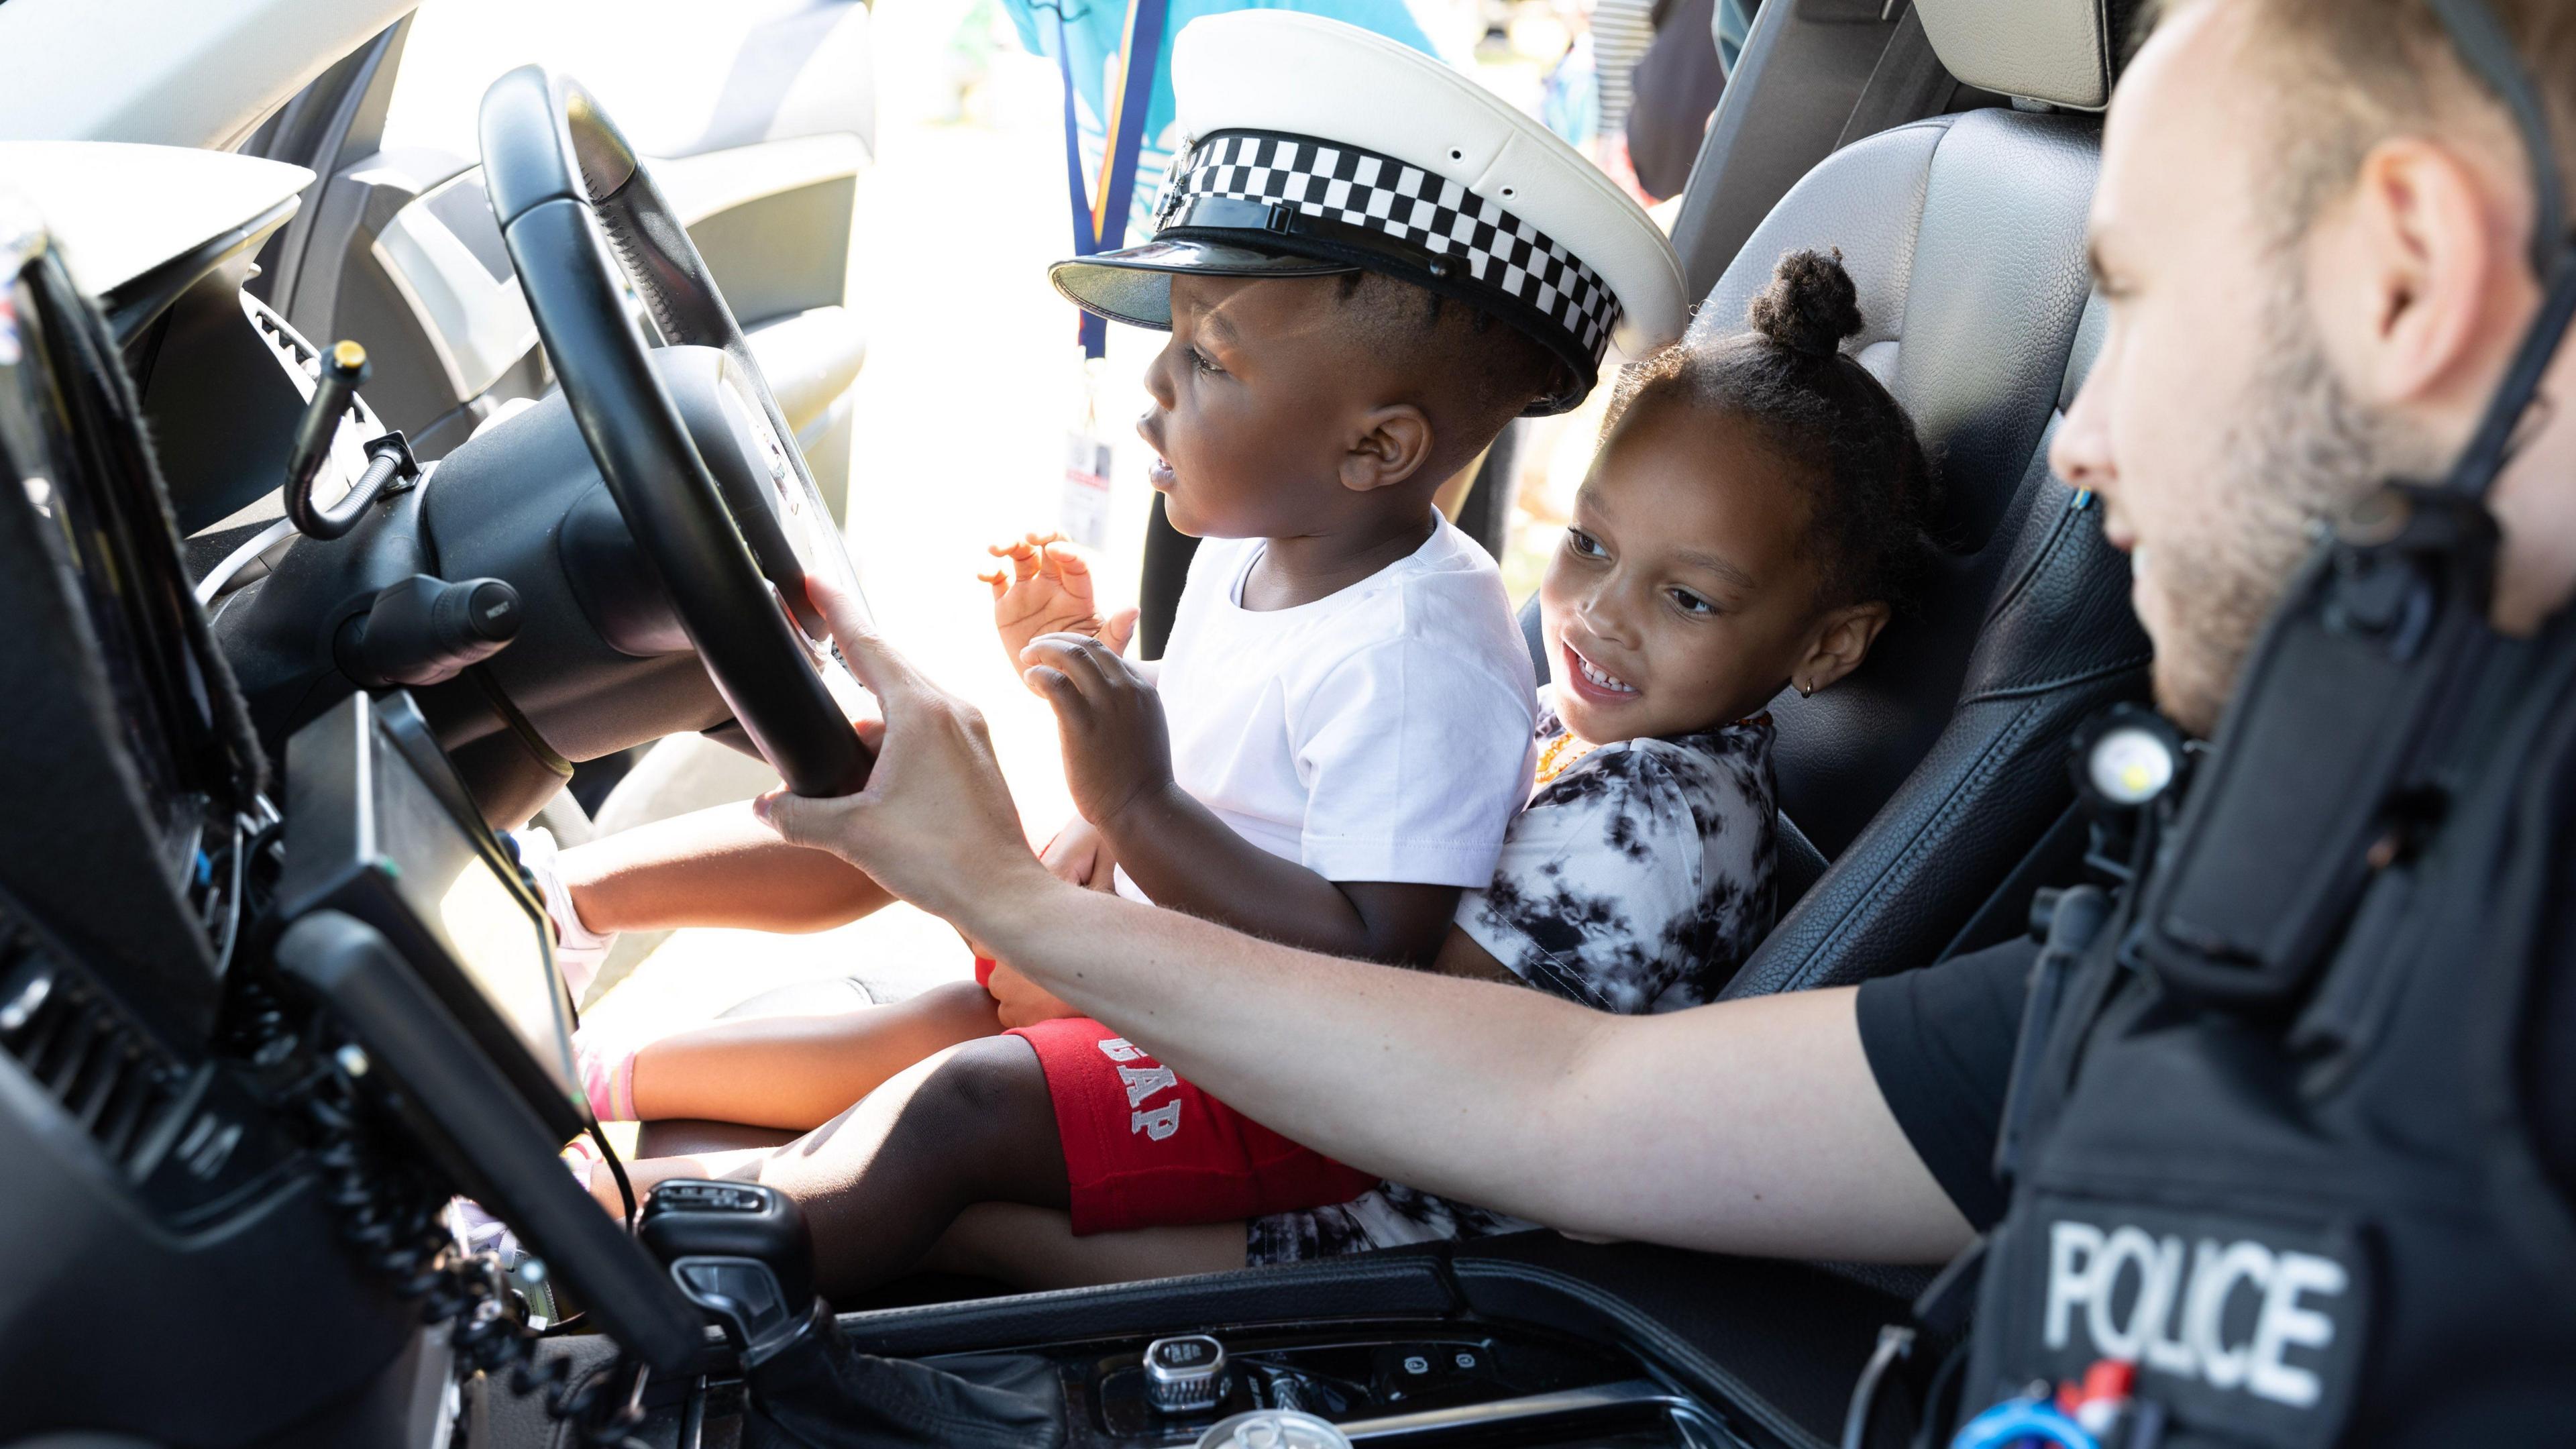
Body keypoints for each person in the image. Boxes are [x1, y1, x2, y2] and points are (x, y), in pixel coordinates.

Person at [743, 0, 2576, 1434]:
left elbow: (1548, 1093)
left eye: (2143, 308)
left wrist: (1030, 887)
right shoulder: (2274, 890)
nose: (2081, 448)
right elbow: (1579, 1099)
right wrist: (1013, 889)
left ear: (2408, 272)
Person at [593, 248, 1934, 1290]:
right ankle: (606, 1129)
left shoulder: (1664, 823)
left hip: (1380, 1206)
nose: (1595, 614)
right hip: (1325, 1097)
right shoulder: (1630, 743)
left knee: (952, 1121)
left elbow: (1406, 1034)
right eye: (1587, 546)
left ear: (1828, 646)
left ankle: (639, 1280)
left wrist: (1137, 813)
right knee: (954, 1060)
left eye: (1689, 600)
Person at [539, 7, 1685, 1203]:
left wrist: (1133, 804)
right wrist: (1078, 681)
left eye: (1208, 359)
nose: (1151, 387)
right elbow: (1235, 765)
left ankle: (612, 1239)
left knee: (962, 1098)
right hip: (1151, 954)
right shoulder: (1265, 547)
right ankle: (571, 985)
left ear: (1377, 446)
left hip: (1269, 1071)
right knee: (913, 778)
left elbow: (1371, 958)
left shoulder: (1419, 652)